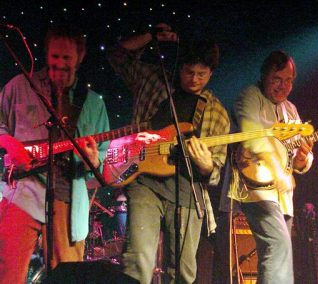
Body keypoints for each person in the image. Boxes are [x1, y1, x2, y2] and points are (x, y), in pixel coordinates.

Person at [107, 24, 230, 283]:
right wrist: (151, 36)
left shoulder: (217, 112)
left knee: (183, 273)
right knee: (137, 261)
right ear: (180, 65)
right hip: (144, 184)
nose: (194, 79)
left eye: (202, 74)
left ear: (211, 73)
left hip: (187, 192)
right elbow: (116, 55)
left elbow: (216, 173)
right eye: (189, 71)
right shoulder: (154, 79)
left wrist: (207, 165)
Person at [0, 23, 110, 283]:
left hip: (68, 199)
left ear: (80, 58)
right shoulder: (20, 86)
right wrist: (11, 144)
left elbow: (104, 162)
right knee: (7, 272)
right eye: (54, 56)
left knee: (67, 277)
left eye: (66, 58)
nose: (59, 64)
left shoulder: (94, 104)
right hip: (22, 193)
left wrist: (95, 161)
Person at [230, 50, 314, 283]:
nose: (283, 86)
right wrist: (277, 169)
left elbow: (300, 158)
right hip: (255, 188)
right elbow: (252, 137)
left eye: (288, 80)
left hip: (284, 194)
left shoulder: (291, 109)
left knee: (279, 253)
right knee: (278, 246)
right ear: (264, 75)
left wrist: (302, 159)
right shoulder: (249, 96)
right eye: (277, 79)